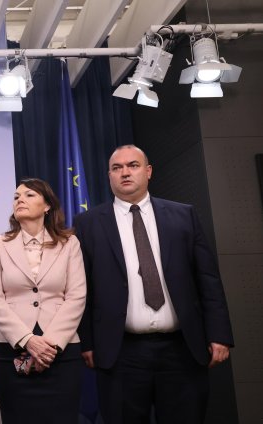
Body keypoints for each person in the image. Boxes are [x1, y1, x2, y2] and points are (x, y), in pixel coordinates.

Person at [74, 145, 234, 423]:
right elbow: (82, 289)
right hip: (120, 353)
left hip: (183, 349)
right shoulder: (87, 223)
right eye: (117, 168)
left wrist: (219, 333)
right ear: (109, 176)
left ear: (148, 171)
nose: (125, 173)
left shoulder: (183, 215)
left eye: (133, 165)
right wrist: (86, 342)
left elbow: (207, 279)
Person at [0, 178, 86, 423]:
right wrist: (28, 340)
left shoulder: (69, 243)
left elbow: (77, 296)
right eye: (16, 197)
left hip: (61, 351)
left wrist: (49, 346)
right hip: (10, 350)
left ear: (47, 205)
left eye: (29, 195)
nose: (20, 200)